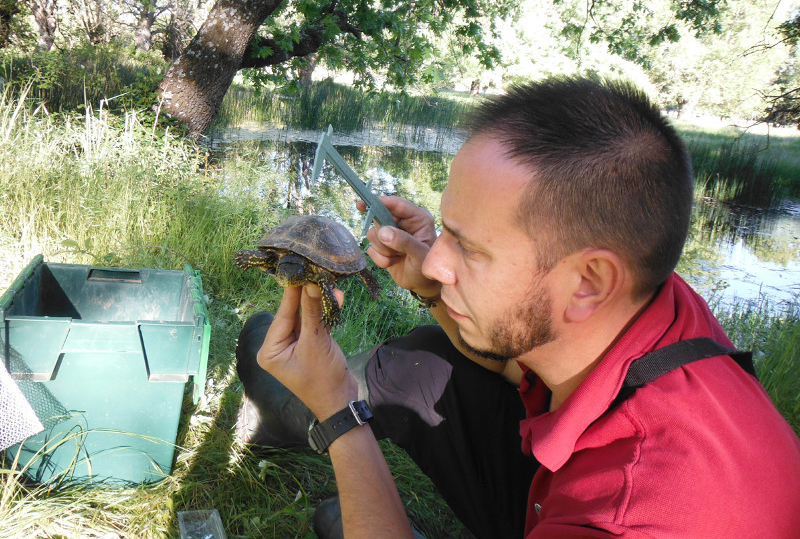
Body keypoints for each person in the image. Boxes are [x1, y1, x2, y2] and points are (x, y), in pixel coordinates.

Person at [237, 77, 800, 539]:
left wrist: (340, 411)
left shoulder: (633, 519)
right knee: (428, 360)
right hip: (568, 485)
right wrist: (439, 285)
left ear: (589, 282)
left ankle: (310, 416)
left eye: (471, 248)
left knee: (349, 520)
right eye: (447, 231)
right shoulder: (652, 304)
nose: (434, 261)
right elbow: (513, 361)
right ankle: (287, 414)